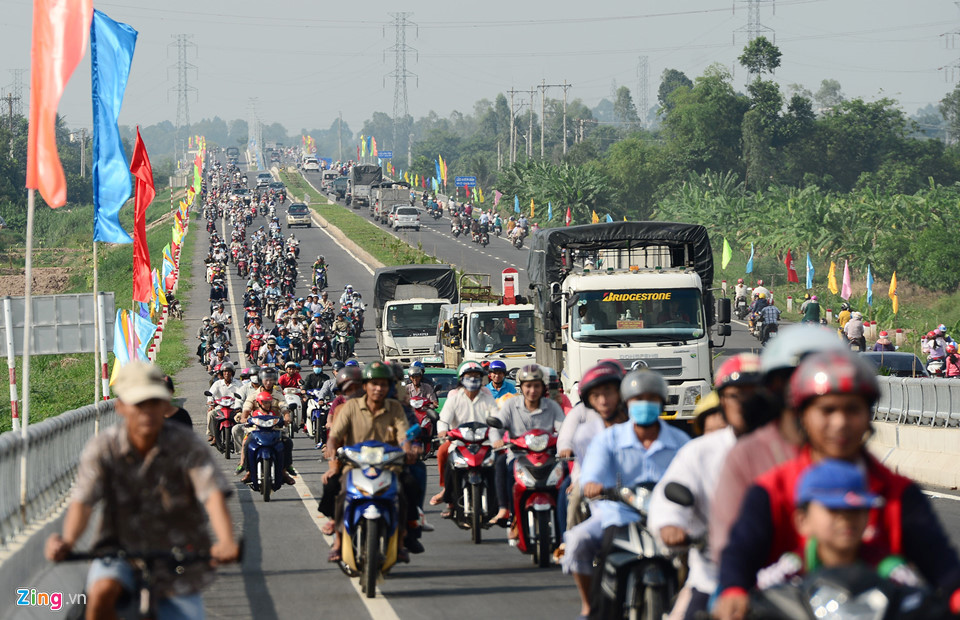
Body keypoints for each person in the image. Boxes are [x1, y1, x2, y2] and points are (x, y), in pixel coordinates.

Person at [715, 350, 960, 620]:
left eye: (852, 409)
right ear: (803, 416)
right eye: (827, 410)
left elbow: (940, 561)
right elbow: (741, 552)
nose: (840, 423)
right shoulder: (771, 489)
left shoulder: (899, 492)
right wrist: (733, 589)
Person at [45, 362, 240, 618]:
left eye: (154, 402)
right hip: (117, 548)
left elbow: (212, 494)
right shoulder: (104, 447)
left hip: (178, 552)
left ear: (165, 405)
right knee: (102, 591)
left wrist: (225, 541)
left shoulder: (186, 444)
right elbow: (83, 501)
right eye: (139, 404)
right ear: (121, 407)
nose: (147, 412)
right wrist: (67, 542)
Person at [709, 325, 849, 573]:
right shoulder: (747, 457)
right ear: (775, 387)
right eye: (797, 380)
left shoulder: (858, 463)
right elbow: (729, 543)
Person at [564, 369, 689, 619]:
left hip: (668, 518)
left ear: (661, 402)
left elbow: (695, 478)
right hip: (617, 514)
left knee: (701, 560)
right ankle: (593, 607)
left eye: (651, 399)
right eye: (637, 399)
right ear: (627, 403)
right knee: (578, 540)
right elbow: (592, 474)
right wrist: (593, 485)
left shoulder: (680, 440)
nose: (644, 405)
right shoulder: (608, 440)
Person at [646, 354, 762, 620]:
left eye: (755, 394)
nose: (746, 402)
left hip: (780, 578)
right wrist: (670, 525)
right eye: (736, 395)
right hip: (712, 577)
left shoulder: (792, 448)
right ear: (722, 401)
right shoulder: (699, 451)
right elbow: (670, 495)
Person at [322, 361, 422, 563]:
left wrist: (408, 449)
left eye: (383, 384)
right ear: (365, 386)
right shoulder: (349, 407)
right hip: (355, 465)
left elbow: (404, 435)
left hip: (388, 465)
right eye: (374, 384)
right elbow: (335, 434)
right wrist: (331, 445)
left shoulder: (395, 408)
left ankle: (402, 539)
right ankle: (338, 541)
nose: (378, 388)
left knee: (408, 486)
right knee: (337, 489)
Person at [489, 364, 566, 526]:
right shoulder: (511, 405)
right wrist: (497, 440)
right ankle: (508, 511)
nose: (532, 390)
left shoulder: (552, 406)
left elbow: (564, 429)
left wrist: (565, 445)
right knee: (503, 464)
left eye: (536, 386)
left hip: (548, 456)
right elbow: (497, 426)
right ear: (521, 387)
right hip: (518, 456)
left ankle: (563, 520)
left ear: (543, 387)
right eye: (528, 386)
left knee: (565, 474)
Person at [557, 362, 626, 533]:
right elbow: (567, 438)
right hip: (588, 475)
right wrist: (566, 449)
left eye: (609, 392)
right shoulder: (583, 422)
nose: (603, 400)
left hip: (628, 477)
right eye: (597, 394)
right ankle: (569, 538)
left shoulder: (631, 416)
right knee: (572, 499)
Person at [429, 361, 499, 513]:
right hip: (459, 441)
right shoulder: (454, 397)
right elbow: (443, 419)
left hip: (484, 442)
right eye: (469, 376)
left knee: (498, 465)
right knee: (443, 454)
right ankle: (447, 493)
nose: (473, 379)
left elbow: (496, 419)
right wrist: (442, 432)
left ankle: (499, 503)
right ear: (461, 378)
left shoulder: (487, 396)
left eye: (476, 376)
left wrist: (498, 438)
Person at [206, 362, 241, 445]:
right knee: (210, 414)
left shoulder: (238, 384)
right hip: (220, 408)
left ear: (232, 373)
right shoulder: (217, 384)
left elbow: (241, 395)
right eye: (225, 372)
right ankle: (213, 435)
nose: (227, 374)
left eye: (229, 371)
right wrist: (211, 403)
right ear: (222, 373)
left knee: (242, 418)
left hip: (233, 408)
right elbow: (211, 394)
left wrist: (239, 405)